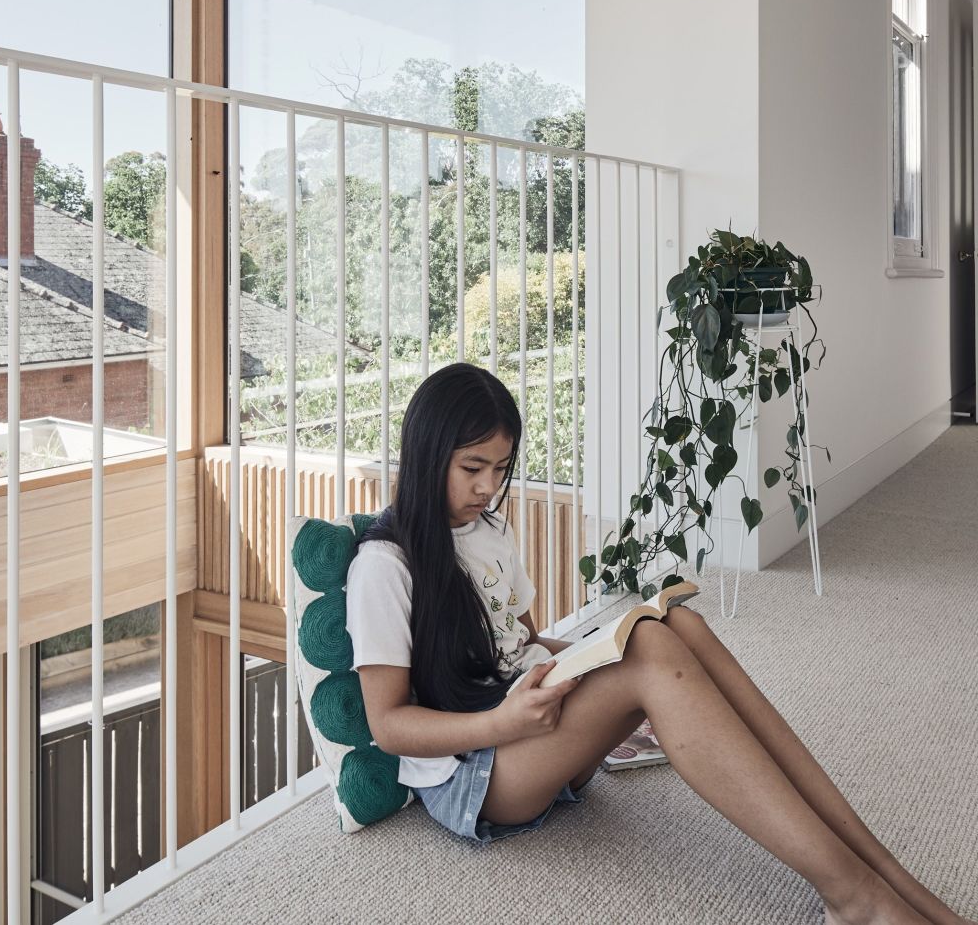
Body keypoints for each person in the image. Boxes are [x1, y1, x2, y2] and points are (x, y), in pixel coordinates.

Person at [346, 363, 970, 925]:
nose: (489, 486)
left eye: (501, 469)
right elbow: (391, 726)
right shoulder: (385, 565)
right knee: (651, 657)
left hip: (532, 717)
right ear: (427, 456)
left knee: (675, 628)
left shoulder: (489, 527)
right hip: (478, 772)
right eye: (472, 468)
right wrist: (505, 722)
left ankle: (882, 873)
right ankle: (854, 897)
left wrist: (598, 655)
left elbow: (527, 640)